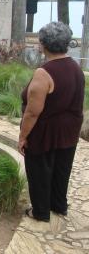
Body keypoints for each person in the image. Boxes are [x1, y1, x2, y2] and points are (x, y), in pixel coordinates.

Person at [19, 22, 84, 222]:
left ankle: (40, 211)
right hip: (70, 129)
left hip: (46, 130)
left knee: (39, 170)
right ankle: (59, 205)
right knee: (62, 168)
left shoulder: (44, 73)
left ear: (43, 44)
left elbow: (33, 111)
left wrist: (23, 136)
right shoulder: (76, 67)